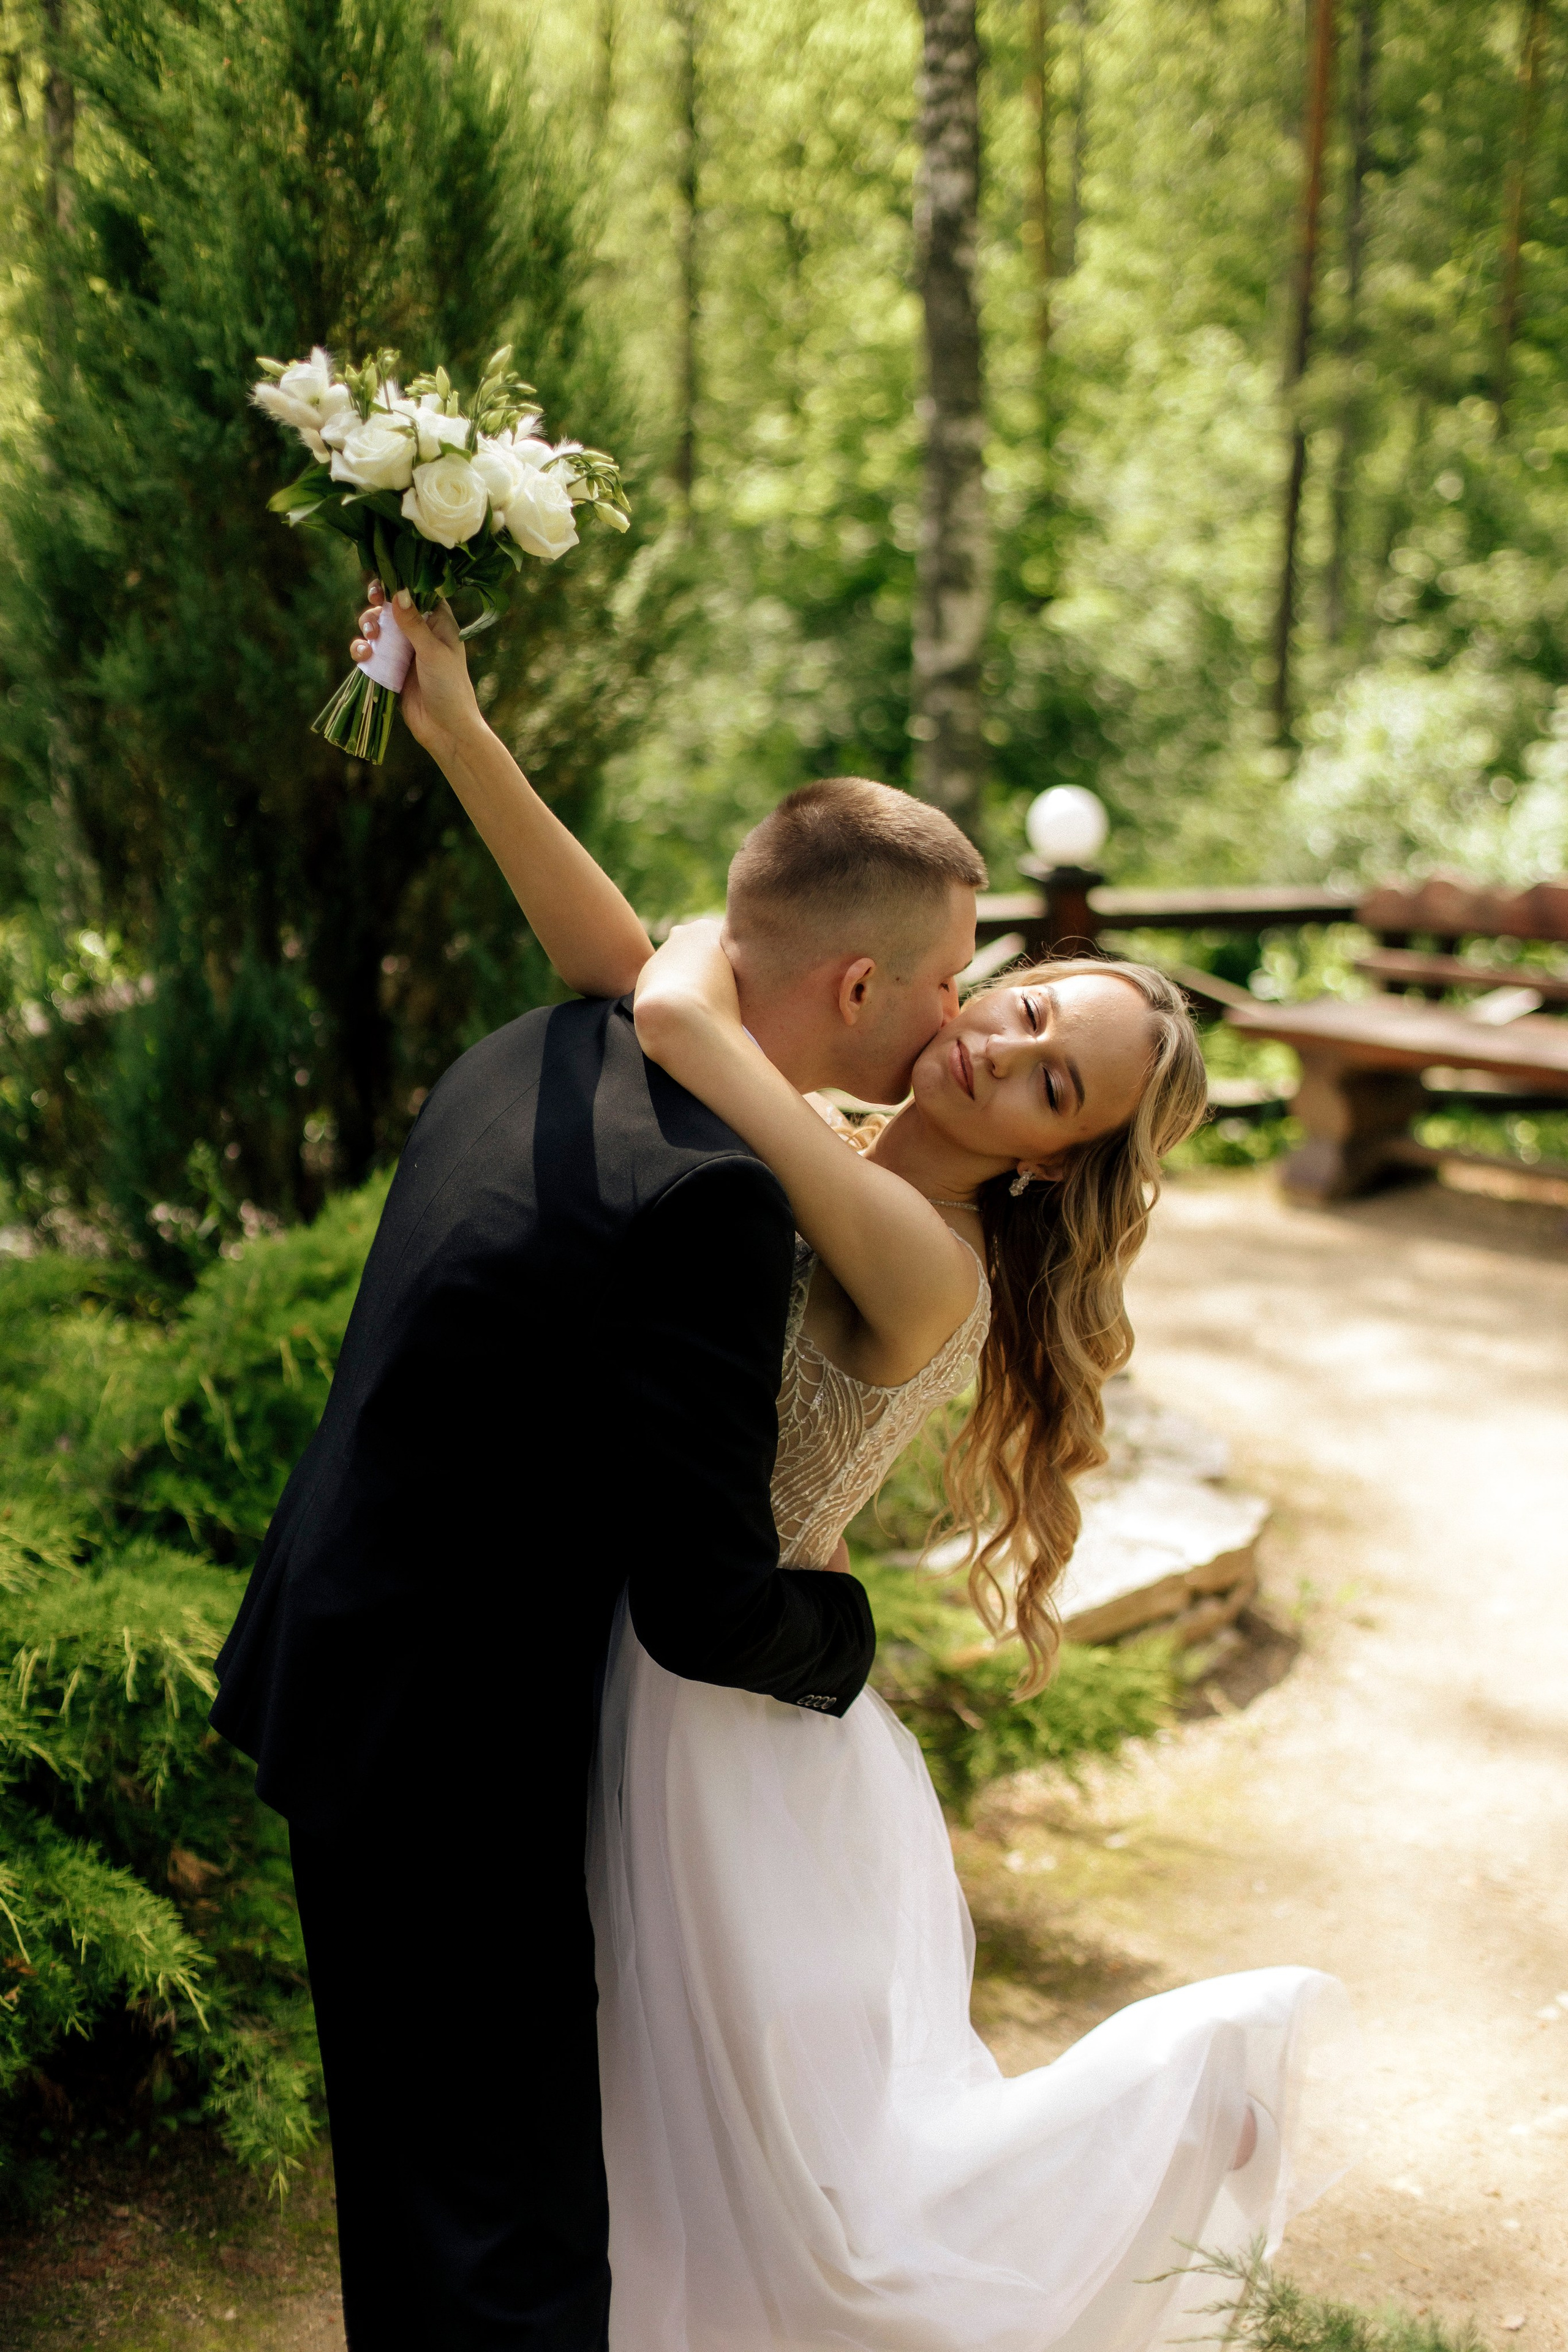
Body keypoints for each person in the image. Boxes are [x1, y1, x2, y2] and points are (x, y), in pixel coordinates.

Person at [348, 590, 1350, 2351]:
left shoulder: (920, 1251)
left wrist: (690, 958)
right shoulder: (849, 1131)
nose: (1002, 1046)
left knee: (814, 2211)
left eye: (1052, 1089)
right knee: (642, 2145)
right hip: (653, 1663)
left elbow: (679, 1014)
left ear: (1051, 1166)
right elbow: (636, 965)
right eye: (1030, 1007)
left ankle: (1177, 2115)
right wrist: (462, 740)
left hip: (721, 1724)